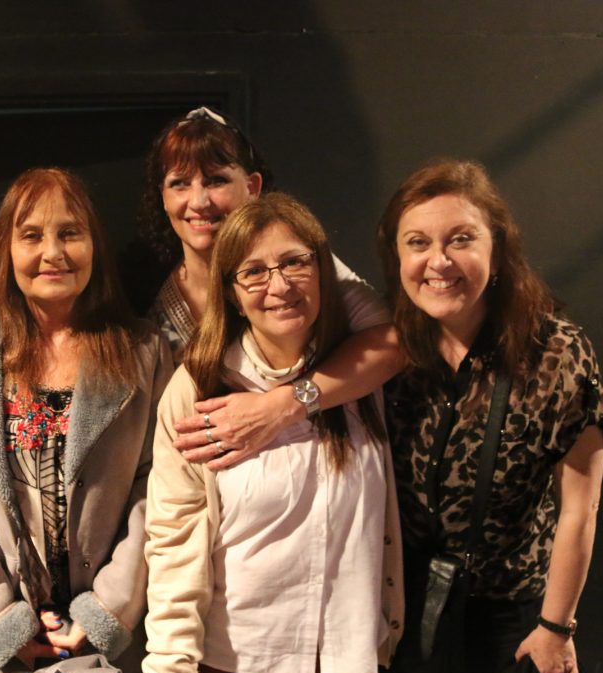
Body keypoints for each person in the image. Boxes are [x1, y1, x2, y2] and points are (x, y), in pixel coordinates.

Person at [144, 193, 404, 673]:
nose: (279, 285)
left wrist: (286, 403)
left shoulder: (362, 377)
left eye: (294, 263)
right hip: (238, 664)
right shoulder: (200, 388)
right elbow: (175, 538)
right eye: (254, 272)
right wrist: (170, 670)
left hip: (351, 662)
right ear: (232, 294)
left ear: (323, 271)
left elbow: (398, 341)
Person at [0, 168, 172, 673]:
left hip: (110, 637)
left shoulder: (143, 351)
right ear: (6, 249)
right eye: (32, 235)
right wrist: (4, 622)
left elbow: (160, 489)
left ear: (94, 246)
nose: (52, 252)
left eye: (70, 233)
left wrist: (104, 611)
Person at [376, 159, 603, 673]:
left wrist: (556, 628)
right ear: (397, 255)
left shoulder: (556, 351)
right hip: (401, 608)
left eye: (461, 239)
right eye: (417, 242)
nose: (438, 261)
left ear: (498, 251)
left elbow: (580, 508)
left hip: (512, 619)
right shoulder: (388, 348)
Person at [131, 106, 404, 470]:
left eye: (216, 180)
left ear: (252, 187)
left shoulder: (298, 268)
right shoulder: (142, 293)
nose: (198, 201)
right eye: (180, 183)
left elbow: (390, 344)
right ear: (163, 197)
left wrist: (285, 404)